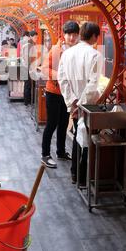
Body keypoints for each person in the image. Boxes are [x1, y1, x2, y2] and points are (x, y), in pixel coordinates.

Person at [58, 22, 102, 185]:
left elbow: (62, 80)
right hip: (88, 105)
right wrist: (82, 105)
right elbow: (93, 84)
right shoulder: (94, 55)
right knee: (85, 139)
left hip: (75, 104)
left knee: (78, 136)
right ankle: (82, 177)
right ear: (94, 36)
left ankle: (75, 173)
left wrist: (73, 103)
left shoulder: (67, 54)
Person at [41, 21, 80, 168]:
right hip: (54, 92)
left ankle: (61, 151)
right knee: (51, 124)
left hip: (68, 94)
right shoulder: (56, 50)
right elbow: (45, 70)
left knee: (64, 123)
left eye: (75, 34)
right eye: (69, 34)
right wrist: (62, 76)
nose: (71, 37)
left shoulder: (77, 51)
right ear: (64, 35)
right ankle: (45, 154)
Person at [22, 30, 38, 106]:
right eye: (35, 37)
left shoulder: (30, 45)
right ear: (31, 36)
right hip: (28, 68)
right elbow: (28, 58)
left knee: (29, 85)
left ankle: (29, 101)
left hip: (28, 67)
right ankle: (27, 101)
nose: (36, 38)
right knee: (28, 85)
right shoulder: (29, 45)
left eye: (37, 37)